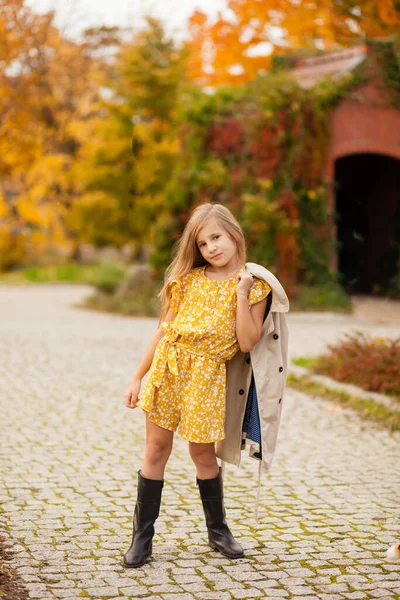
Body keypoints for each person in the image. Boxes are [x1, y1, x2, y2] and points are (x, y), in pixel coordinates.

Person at [123, 202, 273, 568]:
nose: (211, 248)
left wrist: (240, 294)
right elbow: (163, 331)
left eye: (216, 238)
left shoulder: (256, 287)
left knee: (202, 454)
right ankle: (141, 538)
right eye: (204, 244)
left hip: (207, 377)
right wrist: (138, 375)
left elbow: (248, 341)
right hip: (169, 369)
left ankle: (218, 532)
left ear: (234, 235)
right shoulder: (187, 281)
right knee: (156, 450)